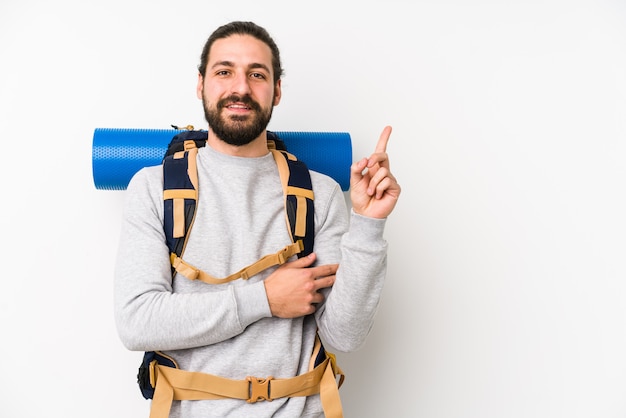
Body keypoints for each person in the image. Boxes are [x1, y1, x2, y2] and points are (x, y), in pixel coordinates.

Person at [114, 21, 401, 418]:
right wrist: (263, 299)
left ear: (276, 90)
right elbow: (137, 322)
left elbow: (345, 335)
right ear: (201, 85)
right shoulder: (153, 187)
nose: (241, 88)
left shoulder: (320, 193)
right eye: (224, 71)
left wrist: (368, 224)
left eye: (257, 74)